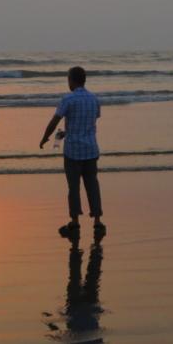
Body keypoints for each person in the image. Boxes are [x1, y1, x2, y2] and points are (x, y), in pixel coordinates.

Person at [40, 66, 104, 237]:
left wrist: (45, 137)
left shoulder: (68, 99)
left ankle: (75, 223)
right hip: (91, 148)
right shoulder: (93, 99)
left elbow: (54, 121)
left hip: (73, 151)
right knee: (92, 185)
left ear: (72, 80)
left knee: (74, 187)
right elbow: (90, 122)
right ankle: (98, 222)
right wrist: (69, 130)